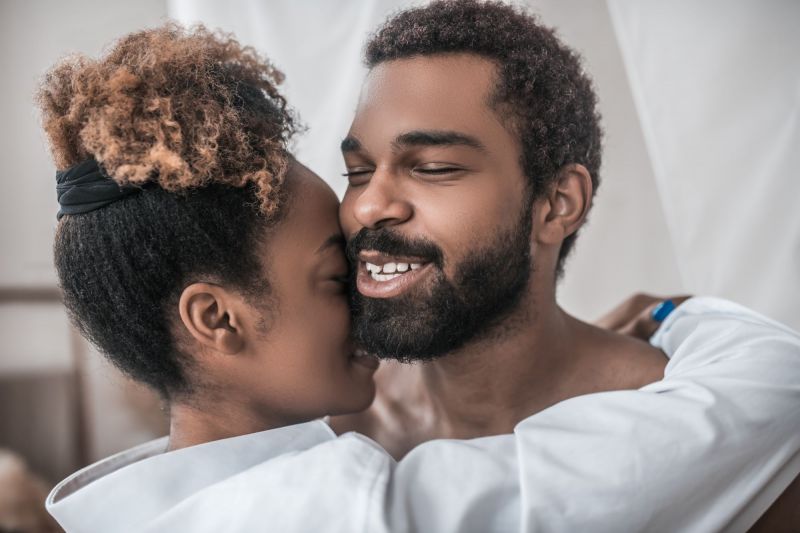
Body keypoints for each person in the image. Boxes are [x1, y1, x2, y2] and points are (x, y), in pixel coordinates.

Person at [42, 10, 800, 533]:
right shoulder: (358, 491)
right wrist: (688, 315)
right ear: (215, 318)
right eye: (357, 169)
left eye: (433, 166)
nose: (368, 207)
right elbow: (772, 386)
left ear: (556, 203)